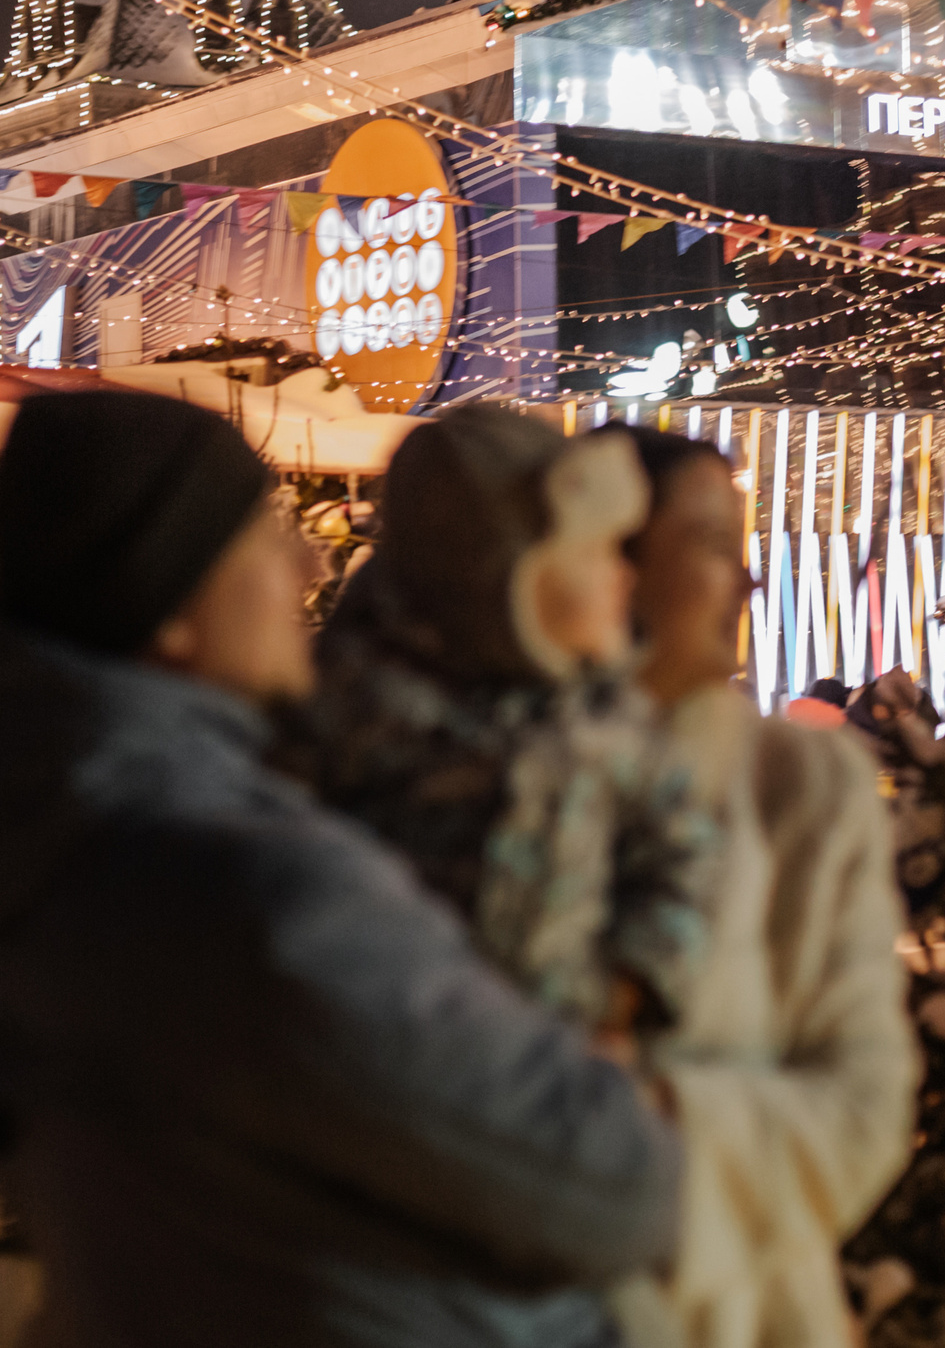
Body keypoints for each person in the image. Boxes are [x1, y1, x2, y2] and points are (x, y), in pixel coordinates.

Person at [0, 392, 680, 1348]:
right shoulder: (256, 894)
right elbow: (610, 1184)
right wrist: (608, 1067)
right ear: (175, 606)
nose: (309, 564)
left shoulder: (25, 850)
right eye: (266, 535)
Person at [605, 427, 918, 1348]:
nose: (746, 583)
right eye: (710, 543)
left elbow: (867, 1106)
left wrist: (632, 1131)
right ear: (611, 557)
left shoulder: (801, 791)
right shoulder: (499, 781)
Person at [299, 405, 716, 1035]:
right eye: (598, 549)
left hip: (564, 1043)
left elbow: (679, 850)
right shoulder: (357, 705)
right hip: (390, 1042)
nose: (624, 573)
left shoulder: (609, 716)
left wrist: (632, 989)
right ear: (510, 569)